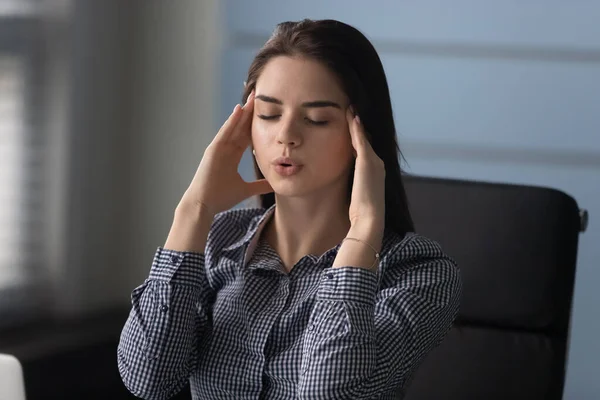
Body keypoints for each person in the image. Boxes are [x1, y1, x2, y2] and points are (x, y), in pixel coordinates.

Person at [118, 19, 462, 400]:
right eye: (268, 114)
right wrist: (193, 210)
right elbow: (149, 379)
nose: (286, 135)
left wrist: (364, 231)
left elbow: (329, 394)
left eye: (316, 119)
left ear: (360, 136)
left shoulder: (419, 274)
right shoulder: (219, 242)